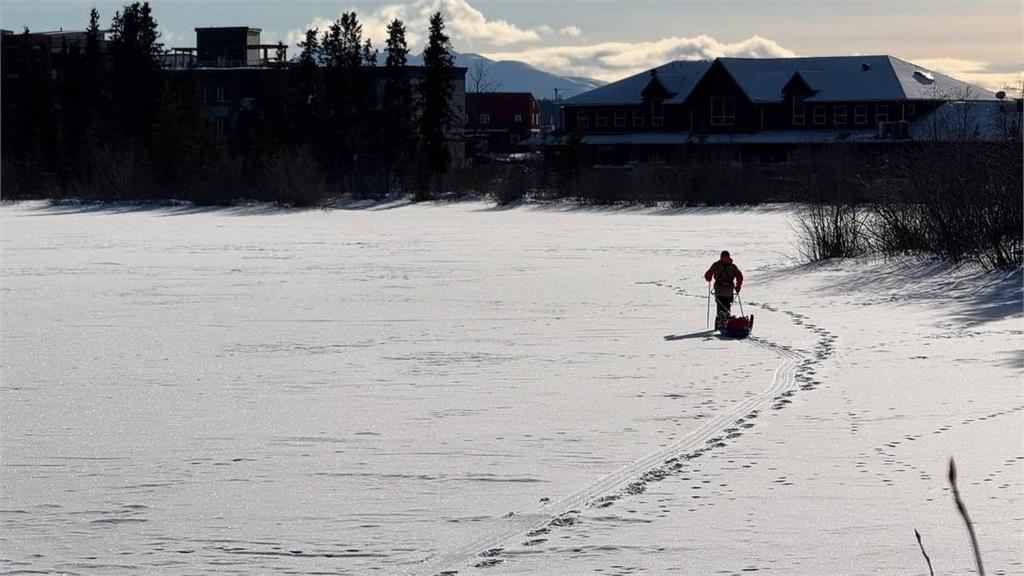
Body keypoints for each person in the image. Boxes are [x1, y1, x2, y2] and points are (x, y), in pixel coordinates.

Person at [704, 250, 743, 330]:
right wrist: (738, 287)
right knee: (727, 307)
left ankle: (720, 324)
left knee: (720, 308)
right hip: (729, 291)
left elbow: (707, 276)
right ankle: (727, 323)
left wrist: (709, 278)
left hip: (719, 291)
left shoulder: (716, 265)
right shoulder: (733, 266)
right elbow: (740, 277)